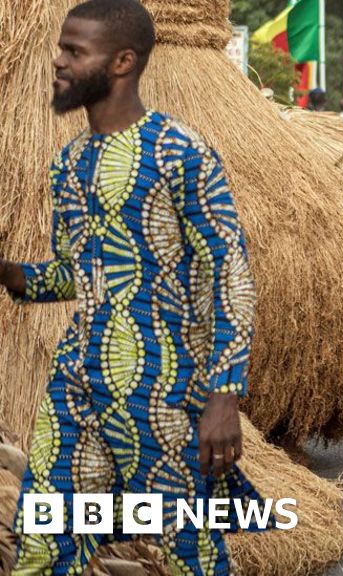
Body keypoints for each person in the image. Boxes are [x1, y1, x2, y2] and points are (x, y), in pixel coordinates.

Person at [0, 0, 266, 572]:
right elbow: (79, 274)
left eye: (75, 51)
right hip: (78, 383)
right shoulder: (67, 164)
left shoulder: (180, 152)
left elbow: (230, 275)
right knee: (47, 534)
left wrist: (224, 395)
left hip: (166, 390)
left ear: (122, 61)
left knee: (188, 547)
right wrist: (11, 272)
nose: (59, 62)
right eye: (60, 48)